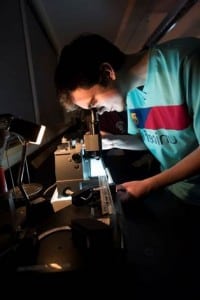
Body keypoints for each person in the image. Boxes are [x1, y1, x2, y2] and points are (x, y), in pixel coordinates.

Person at [54, 33, 200, 206]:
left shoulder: (187, 60)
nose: (99, 113)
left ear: (107, 73)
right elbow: (150, 141)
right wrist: (114, 141)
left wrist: (148, 185)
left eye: (95, 103)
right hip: (178, 191)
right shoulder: (129, 94)